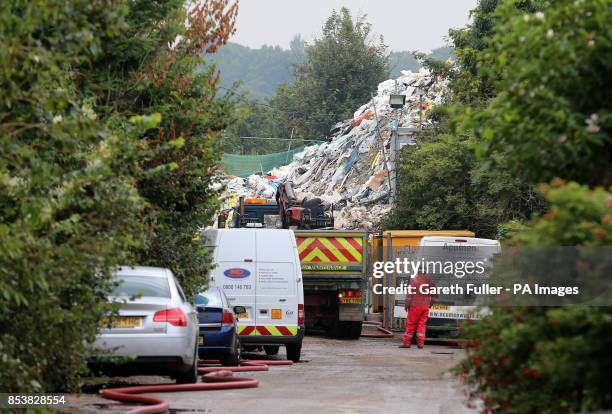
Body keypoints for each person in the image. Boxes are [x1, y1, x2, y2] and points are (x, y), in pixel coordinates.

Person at [399, 273, 437, 349]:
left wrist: (406, 305)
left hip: (415, 306)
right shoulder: (429, 281)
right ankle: (420, 344)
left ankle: (406, 343)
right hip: (425, 306)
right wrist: (430, 304)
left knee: (411, 324)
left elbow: (409, 295)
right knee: (422, 325)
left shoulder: (414, 281)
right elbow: (434, 295)